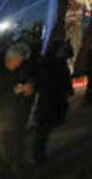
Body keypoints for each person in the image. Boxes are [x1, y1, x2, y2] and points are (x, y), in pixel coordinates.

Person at [1, 42, 35, 174]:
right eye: (19, 59)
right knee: (6, 154)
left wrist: (28, 89)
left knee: (18, 148)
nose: (20, 63)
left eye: (21, 60)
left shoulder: (18, 72)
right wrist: (14, 92)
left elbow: (28, 85)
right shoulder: (2, 74)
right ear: (11, 58)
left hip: (17, 119)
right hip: (4, 123)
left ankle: (18, 169)